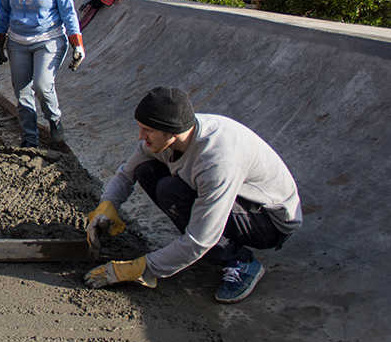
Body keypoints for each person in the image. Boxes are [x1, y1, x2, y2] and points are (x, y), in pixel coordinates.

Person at [83, 87, 302, 304]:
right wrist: (106, 207)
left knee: (171, 192)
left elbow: (200, 240)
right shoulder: (171, 132)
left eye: (147, 130)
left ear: (172, 132)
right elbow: (126, 175)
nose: (141, 136)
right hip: (236, 200)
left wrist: (141, 268)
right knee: (146, 170)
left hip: (267, 221)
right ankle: (199, 247)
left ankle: (240, 262)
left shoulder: (216, 161)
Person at [0, 0, 84, 149]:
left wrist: (76, 44)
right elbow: (4, 12)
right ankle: (29, 139)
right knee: (22, 92)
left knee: (42, 85)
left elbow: (69, 13)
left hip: (48, 39)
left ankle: (54, 119)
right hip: (18, 42)